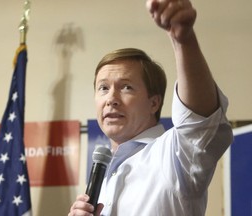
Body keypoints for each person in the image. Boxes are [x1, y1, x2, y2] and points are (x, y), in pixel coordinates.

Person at [68, 0, 233, 215]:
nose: (111, 99)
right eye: (103, 88)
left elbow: (199, 123)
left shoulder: (174, 156)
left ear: (154, 102)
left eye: (126, 87)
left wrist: (183, 40)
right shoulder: (102, 181)